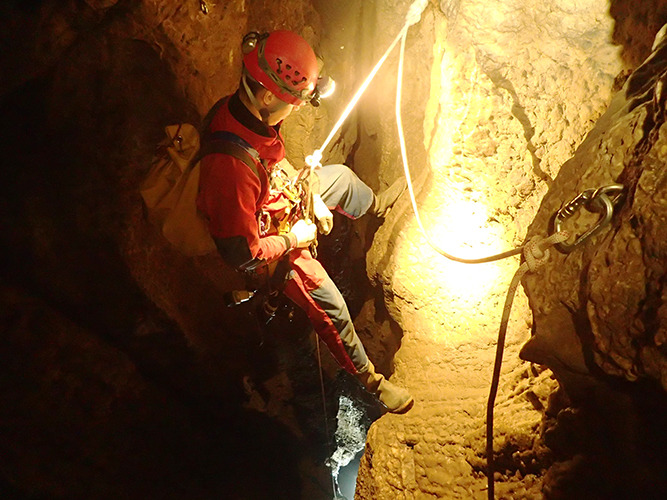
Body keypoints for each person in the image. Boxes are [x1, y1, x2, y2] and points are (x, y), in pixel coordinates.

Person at [197, 30, 413, 414]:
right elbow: (242, 255)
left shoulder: (243, 112)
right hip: (271, 244)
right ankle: (372, 382)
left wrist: (303, 180)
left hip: (281, 201)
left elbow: (267, 158)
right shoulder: (230, 169)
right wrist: (295, 239)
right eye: (293, 102)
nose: (296, 109)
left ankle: (376, 206)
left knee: (341, 180)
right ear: (267, 96)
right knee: (332, 306)